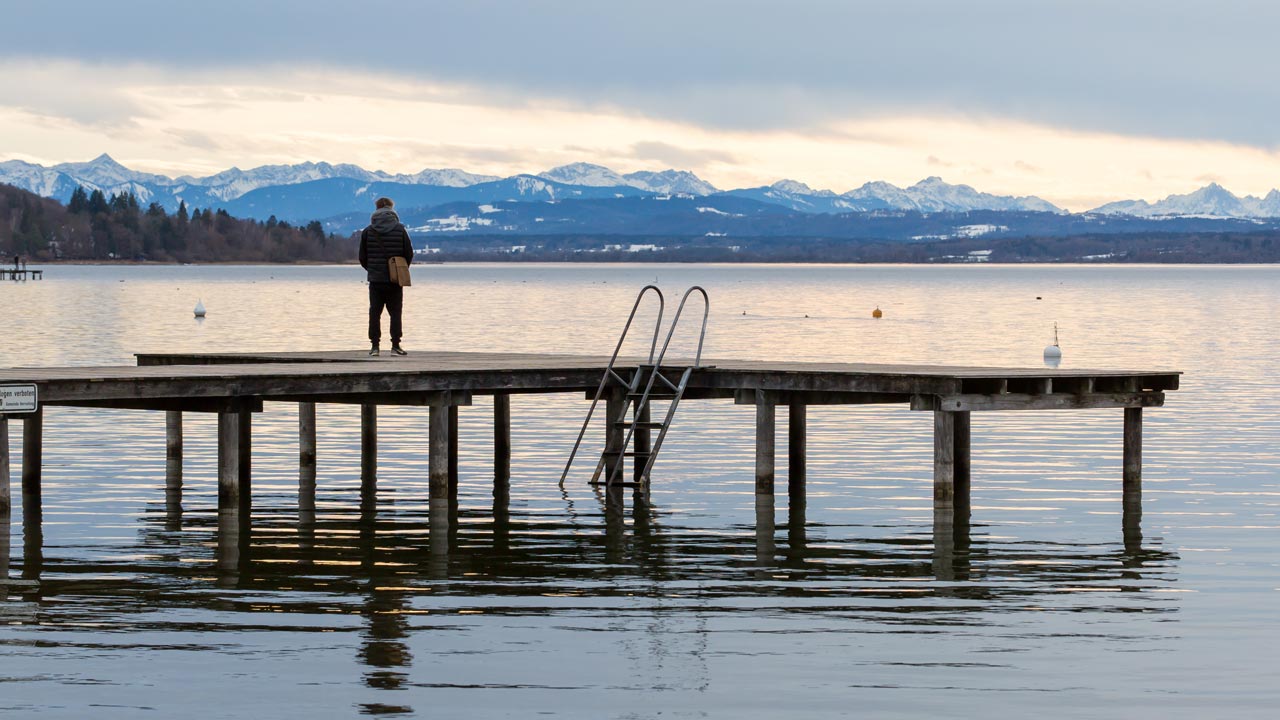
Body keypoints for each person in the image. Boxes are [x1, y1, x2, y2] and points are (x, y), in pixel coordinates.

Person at [358, 197, 414, 356]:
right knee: (396, 313)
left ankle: (374, 347)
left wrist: (372, 269)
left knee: (374, 312)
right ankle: (395, 346)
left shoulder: (368, 231)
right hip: (394, 280)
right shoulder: (400, 229)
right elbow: (409, 253)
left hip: (375, 279)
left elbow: (362, 257)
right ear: (391, 209)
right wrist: (400, 269)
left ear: (376, 210)